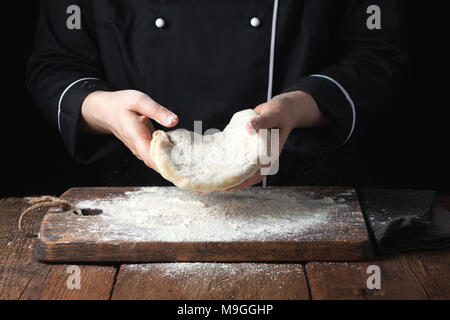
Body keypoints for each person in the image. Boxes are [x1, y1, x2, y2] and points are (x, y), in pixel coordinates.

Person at [27, 0, 408, 190]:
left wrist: (299, 107)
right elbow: (56, 63)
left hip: (297, 196)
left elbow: (376, 52)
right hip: (138, 200)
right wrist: (104, 109)